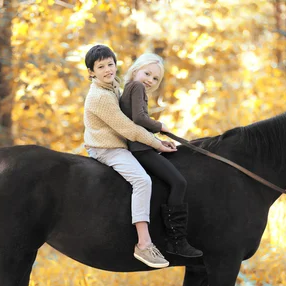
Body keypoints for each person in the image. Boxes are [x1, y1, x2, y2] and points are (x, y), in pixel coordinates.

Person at [83, 44, 176, 268]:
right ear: (92, 72)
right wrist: (158, 144)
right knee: (142, 180)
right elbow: (128, 128)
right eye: (101, 66)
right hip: (107, 148)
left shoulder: (112, 86)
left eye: (110, 64)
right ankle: (144, 244)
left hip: (116, 143)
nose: (108, 69)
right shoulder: (99, 96)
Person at [119, 53, 203, 258]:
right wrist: (161, 126)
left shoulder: (131, 88)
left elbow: (136, 122)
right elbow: (139, 118)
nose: (150, 80)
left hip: (143, 144)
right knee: (179, 182)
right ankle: (176, 240)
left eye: (155, 78)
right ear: (136, 70)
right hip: (140, 149)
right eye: (147, 73)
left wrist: (158, 141)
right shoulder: (136, 87)